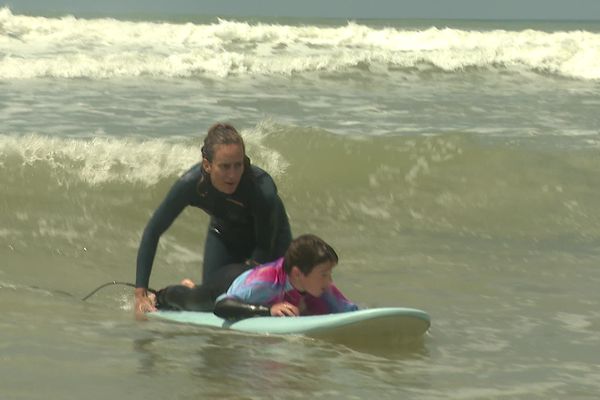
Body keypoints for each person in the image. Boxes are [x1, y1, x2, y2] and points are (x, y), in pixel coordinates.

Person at [134, 123, 292, 316]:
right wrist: (140, 291)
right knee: (208, 303)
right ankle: (188, 290)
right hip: (224, 236)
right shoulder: (191, 184)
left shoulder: (261, 188)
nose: (233, 174)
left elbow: (264, 249)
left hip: (271, 242)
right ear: (207, 165)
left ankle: (201, 289)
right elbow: (153, 230)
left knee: (251, 293)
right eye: (225, 166)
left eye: (238, 165)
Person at [212, 234, 358, 319]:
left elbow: (351, 313)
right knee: (192, 299)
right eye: (324, 274)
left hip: (256, 272)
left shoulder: (319, 285)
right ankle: (189, 287)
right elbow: (221, 306)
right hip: (226, 281)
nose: (330, 281)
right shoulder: (267, 283)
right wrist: (268, 310)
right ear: (297, 273)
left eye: (330, 273)